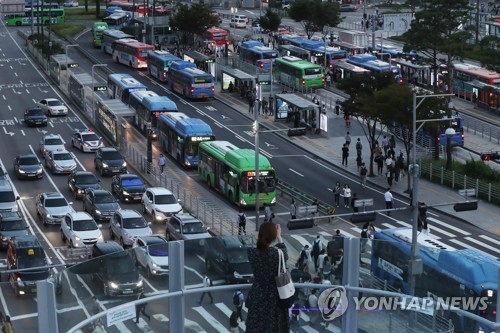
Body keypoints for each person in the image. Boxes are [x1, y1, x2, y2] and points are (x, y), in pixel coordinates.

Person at [246, 223, 290, 332]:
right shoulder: (278, 254)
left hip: (257, 293)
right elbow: (285, 253)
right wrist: (279, 236)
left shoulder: (251, 253)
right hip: (275, 296)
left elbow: (259, 248)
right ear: (274, 237)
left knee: (256, 325)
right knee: (274, 325)